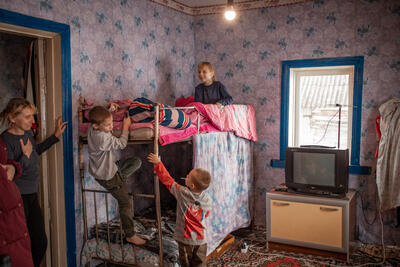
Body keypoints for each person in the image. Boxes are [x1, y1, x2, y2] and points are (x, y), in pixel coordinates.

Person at [0, 98, 67, 267]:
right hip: (17, 199)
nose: (32, 121)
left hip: (32, 193)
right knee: (20, 246)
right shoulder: (4, 141)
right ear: (12, 118)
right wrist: (25, 157)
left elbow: (35, 151)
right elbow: (6, 176)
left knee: (40, 242)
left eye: (32, 116)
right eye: (27, 116)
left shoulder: (28, 134)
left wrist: (55, 137)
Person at [87, 105, 145, 245]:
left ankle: (120, 181)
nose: (111, 127)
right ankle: (130, 234)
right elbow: (122, 143)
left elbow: (101, 117)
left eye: (111, 123)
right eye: (107, 125)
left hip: (110, 169)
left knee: (136, 162)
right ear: (95, 126)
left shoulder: (91, 128)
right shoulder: (102, 139)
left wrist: (109, 111)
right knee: (125, 202)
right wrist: (125, 127)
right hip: (108, 176)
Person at [147, 153, 212, 267]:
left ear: (191, 185)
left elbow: (168, 181)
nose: (186, 176)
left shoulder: (183, 193)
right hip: (202, 240)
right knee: (200, 264)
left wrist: (158, 163)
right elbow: (206, 215)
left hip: (185, 240)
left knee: (185, 263)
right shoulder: (207, 199)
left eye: (188, 176)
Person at [0, 137, 34, 267]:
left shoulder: (26, 136)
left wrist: (13, 168)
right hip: (8, 217)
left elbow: (5, 163)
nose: (31, 120)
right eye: (27, 116)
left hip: (13, 213)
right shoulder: (8, 138)